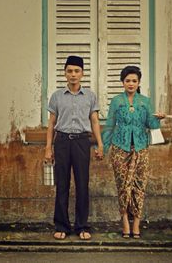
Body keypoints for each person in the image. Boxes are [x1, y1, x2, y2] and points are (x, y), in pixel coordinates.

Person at [45, 55, 103, 240]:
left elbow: (94, 121)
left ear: (82, 74)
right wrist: (48, 148)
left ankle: (82, 226)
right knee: (62, 184)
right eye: (69, 71)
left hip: (81, 142)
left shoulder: (90, 96)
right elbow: (51, 123)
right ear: (65, 73)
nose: (73, 74)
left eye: (76, 71)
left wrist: (100, 144)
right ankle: (61, 225)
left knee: (82, 184)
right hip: (61, 142)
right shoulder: (56, 96)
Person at [102, 65, 164, 239]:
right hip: (119, 148)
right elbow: (109, 125)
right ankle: (124, 222)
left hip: (141, 148)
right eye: (127, 80)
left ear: (138, 83)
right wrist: (104, 148)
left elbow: (151, 125)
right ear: (122, 82)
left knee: (139, 185)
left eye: (134, 81)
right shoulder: (116, 101)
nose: (131, 84)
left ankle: (136, 222)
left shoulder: (145, 101)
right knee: (123, 186)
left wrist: (157, 119)